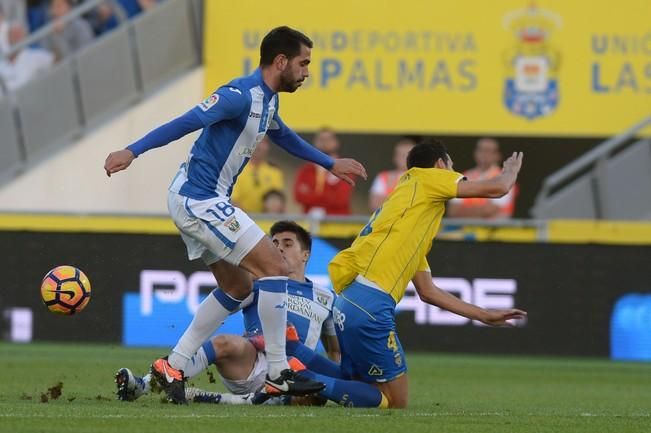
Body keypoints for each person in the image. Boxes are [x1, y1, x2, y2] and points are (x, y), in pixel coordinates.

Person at [104, 26, 367, 404]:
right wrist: (133, 150)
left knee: (238, 288)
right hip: (199, 198)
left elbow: (283, 136)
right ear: (280, 61)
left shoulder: (269, 101)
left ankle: (174, 364)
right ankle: (278, 370)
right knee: (275, 268)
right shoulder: (237, 95)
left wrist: (328, 162)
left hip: (201, 200)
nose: (307, 72)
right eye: (303, 63)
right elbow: (186, 121)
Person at [327, 140, 527, 408]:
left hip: (348, 301)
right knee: (396, 402)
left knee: (364, 389)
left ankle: (299, 368)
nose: (456, 174)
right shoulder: (427, 177)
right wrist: (511, 171)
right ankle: (301, 377)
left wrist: (484, 315)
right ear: (441, 164)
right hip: (371, 304)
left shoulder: (408, 215)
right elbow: (498, 188)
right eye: (452, 167)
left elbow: (428, 292)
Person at [115, 221, 340, 405]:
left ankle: (232, 400)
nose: (279, 248)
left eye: (288, 243)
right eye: (274, 243)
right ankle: (143, 384)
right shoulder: (260, 285)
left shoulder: (326, 297)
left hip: (295, 373)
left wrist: (339, 381)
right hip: (251, 363)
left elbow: (334, 351)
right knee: (223, 342)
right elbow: (220, 308)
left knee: (316, 394)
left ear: (305, 254)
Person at [447, 138, 517, 219]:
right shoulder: (464, 176)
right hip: (464, 230)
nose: (484, 154)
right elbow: (453, 211)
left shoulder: (505, 177)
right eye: (481, 150)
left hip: (494, 230)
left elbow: (490, 210)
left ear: (497, 155)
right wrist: (481, 211)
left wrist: (465, 211)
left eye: (488, 151)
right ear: (475, 153)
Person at [294, 127, 353, 215]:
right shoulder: (306, 170)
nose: (325, 143)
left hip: (337, 223)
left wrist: (312, 195)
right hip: (311, 224)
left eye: (328, 139)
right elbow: (299, 196)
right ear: (315, 142)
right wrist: (329, 194)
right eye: (321, 139)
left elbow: (341, 199)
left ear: (336, 142)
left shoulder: (345, 168)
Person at [230, 136, 284, 213]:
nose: (259, 146)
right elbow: (233, 201)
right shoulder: (237, 170)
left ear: (268, 147)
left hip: (267, 221)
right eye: (255, 141)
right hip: (243, 219)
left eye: (263, 142)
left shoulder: (275, 171)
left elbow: (278, 201)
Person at [0, 22, 54, 92]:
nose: (16, 39)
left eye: (18, 35)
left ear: (24, 36)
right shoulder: (2, 62)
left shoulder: (35, 56)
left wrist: (56, 36)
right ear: (8, 38)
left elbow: (56, 60)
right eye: (13, 35)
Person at [368, 137, 417, 212]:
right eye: (401, 155)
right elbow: (374, 204)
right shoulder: (383, 177)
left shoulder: (423, 178)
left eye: (409, 155)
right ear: (395, 157)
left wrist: (388, 199)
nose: (405, 158)